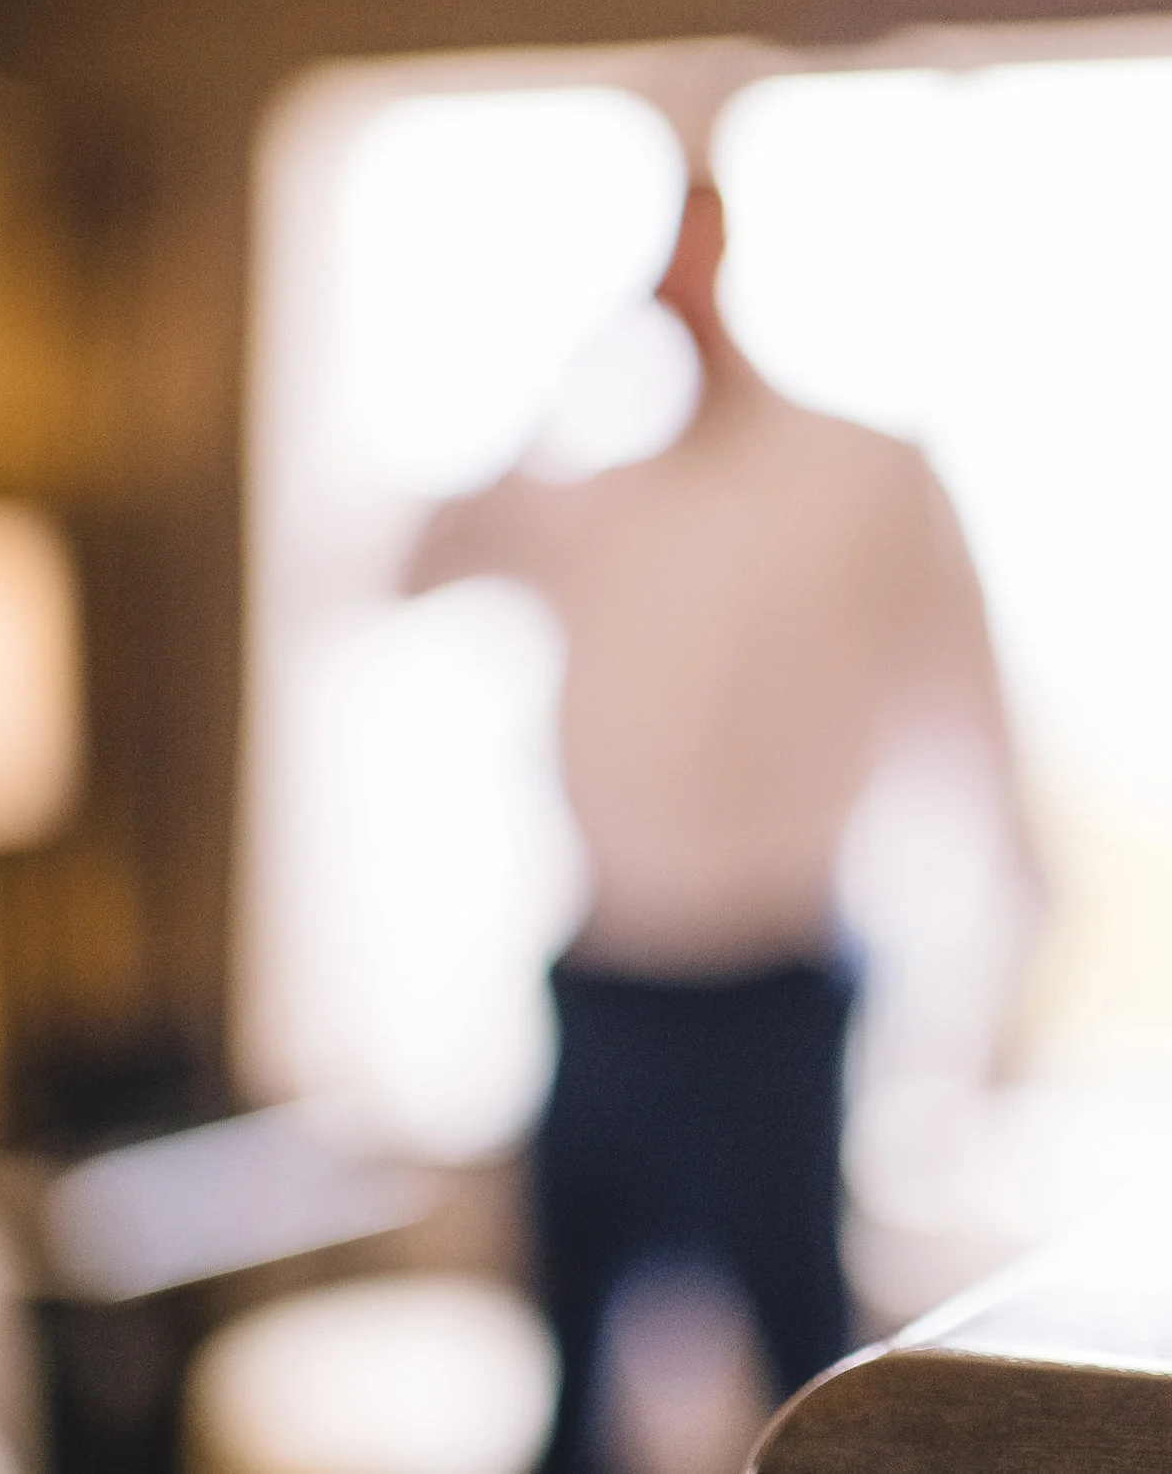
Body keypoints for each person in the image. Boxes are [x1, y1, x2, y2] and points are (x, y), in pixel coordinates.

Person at [406, 178, 1038, 1474]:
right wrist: (569, 366)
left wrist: (1011, 986)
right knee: (569, 1392)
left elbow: (978, 728)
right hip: (603, 989)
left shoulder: (865, 473)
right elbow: (408, 568)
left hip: (775, 999)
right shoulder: (590, 488)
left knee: (806, 1390)